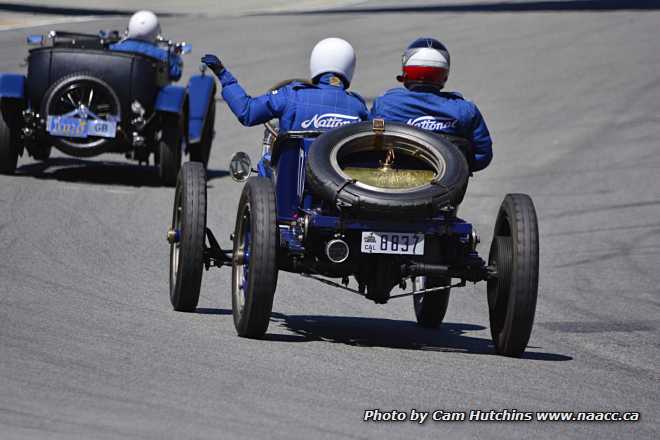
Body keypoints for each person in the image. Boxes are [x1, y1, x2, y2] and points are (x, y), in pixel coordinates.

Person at [370, 38, 492, 172]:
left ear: (406, 71)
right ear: (444, 75)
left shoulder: (385, 104)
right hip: (447, 186)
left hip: (394, 181)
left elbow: (370, 141)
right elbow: (483, 155)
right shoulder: (465, 110)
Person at [201, 37, 368, 133]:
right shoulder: (358, 106)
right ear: (350, 67)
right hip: (342, 187)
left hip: (292, 184)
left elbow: (247, 112)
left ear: (316, 62)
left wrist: (224, 76)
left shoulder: (291, 95)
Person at [109, 10, 182, 81]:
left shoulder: (114, 48)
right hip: (148, 91)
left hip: (117, 90)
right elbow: (175, 74)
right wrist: (175, 57)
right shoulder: (161, 55)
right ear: (155, 31)